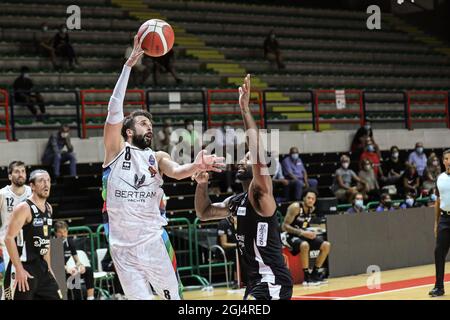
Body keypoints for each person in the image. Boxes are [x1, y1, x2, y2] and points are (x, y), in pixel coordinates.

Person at [102, 34, 225, 300]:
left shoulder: (156, 156)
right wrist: (127, 68)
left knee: (174, 299)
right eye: (144, 124)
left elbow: (178, 171)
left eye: (151, 125)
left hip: (153, 243)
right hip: (121, 248)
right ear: (128, 130)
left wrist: (196, 165)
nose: (150, 128)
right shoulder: (114, 151)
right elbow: (113, 109)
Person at [194, 74, 293, 300]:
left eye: (247, 158)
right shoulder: (236, 201)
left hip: (271, 281)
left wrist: (245, 110)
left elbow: (258, 152)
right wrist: (202, 184)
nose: (242, 160)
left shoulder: (262, 195)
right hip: (255, 282)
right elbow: (204, 212)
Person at [3, 170, 62, 300]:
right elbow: (8, 238)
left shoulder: (49, 208)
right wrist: (19, 269)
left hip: (42, 268)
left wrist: (49, 268)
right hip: (24, 268)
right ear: (32, 186)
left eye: (48, 180)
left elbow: (45, 242)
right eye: (41, 181)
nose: (46, 184)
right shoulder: (24, 208)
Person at [282, 189, 331, 286]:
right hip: (289, 236)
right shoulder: (295, 207)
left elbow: (304, 225)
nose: (311, 200)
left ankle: (314, 274)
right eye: (308, 198)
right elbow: (284, 226)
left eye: (313, 199)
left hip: (302, 235)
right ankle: (306, 277)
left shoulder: (311, 209)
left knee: (326, 245)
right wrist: (302, 233)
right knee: (304, 245)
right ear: (303, 198)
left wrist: (311, 231)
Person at [0, 161, 32, 276]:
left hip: (29, 244)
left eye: (23, 171)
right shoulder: (2, 194)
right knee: (12, 282)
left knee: (30, 282)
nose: (21, 174)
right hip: (9, 244)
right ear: (10, 176)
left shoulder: (31, 192)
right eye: (17, 171)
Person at [54, 220, 95, 300]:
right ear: (55, 233)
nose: (63, 234)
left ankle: (90, 297)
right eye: (60, 232)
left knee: (88, 270)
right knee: (74, 276)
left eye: (65, 231)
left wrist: (80, 266)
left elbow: (77, 260)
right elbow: (56, 264)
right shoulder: (54, 243)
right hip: (57, 272)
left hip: (66, 270)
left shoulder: (70, 242)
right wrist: (67, 269)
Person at [429, 149, 450, 297]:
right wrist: (436, 223)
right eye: (447, 159)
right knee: (439, 252)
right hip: (444, 219)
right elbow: (438, 201)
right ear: (443, 161)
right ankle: (439, 287)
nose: (449, 161)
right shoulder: (440, 178)